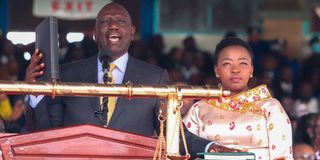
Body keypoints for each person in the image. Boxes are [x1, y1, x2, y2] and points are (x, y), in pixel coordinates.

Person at [25, 2, 239, 158]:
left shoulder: (155, 77)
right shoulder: (67, 74)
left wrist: (210, 147)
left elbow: (170, 132)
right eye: (106, 21)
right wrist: (34, 91)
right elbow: (46, 132)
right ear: (94, 33)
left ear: (132, 31)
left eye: (120, 21)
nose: (114, 26)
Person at [183, 37, 293, 159]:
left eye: (243, 63)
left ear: (251, 70)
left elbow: (283, 156)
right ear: (216, 70)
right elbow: (184, 149)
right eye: (227, 64)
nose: (235, 70)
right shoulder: (199, 109)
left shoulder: (270, 107)